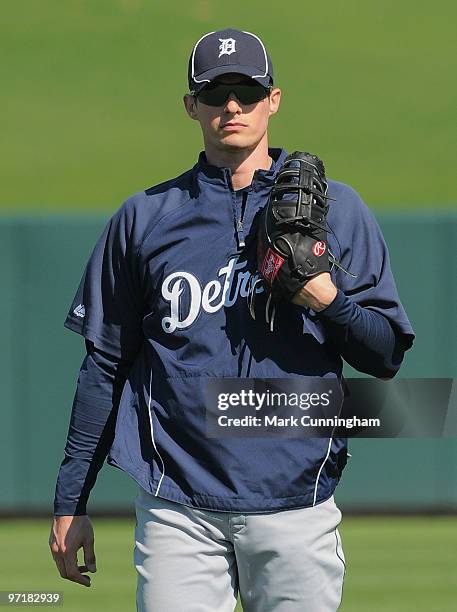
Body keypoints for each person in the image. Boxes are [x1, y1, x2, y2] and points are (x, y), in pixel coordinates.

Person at [49, 28, 415, 611]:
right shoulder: (144, 218)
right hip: (178, 507)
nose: (233, 106)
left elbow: (386, 355)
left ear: (274, 98)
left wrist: (326, 299)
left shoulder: (338, 213)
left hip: (297, 501)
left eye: (248, 90)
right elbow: (104, 365)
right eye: (216, 94)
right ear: (191, 106)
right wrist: (72, 500)